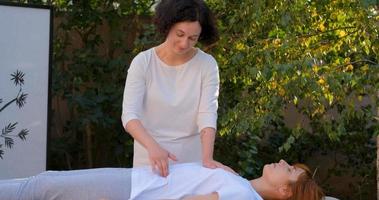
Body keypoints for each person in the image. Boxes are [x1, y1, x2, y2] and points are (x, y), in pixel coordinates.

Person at [121, 0, 226, 177]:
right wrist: (153, 147)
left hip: (192, 159)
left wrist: (207, 159)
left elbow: (207, 113)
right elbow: (130, 116)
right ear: (168, 25)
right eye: (180, 34)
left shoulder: (207, 65)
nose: (185, 43)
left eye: (193, 38)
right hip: (149, 158)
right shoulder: (143, 62)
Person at [0, 159, 324, 200]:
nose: (283, 162)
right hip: (135, 183)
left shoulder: (242, 197)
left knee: (43, 188)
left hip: (131, 192)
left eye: (290, 170)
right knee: (40, 186)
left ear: (285, 191)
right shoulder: (239, 183)